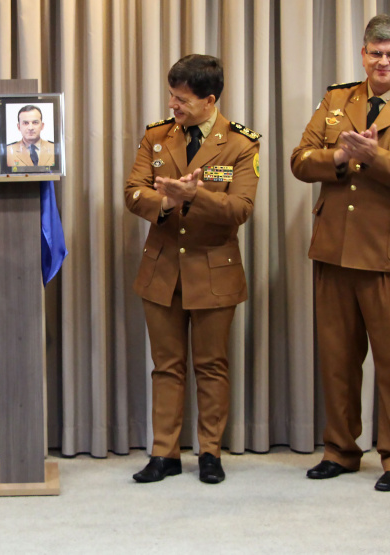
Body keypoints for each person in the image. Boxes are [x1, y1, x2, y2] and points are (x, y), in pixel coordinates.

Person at [290, 15, 390, 492]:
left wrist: (375, 156)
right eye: (375, 53)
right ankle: (340, 450)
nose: (383, 62)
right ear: (363, 54)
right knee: (337, 360)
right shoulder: (338, 100)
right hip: (336, 248)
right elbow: (301, 159)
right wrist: (339, 158)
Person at [125, 54, 261, 485]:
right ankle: (163, 453)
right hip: (161, 270)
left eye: (181, 99)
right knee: (166, 366)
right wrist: (166, 202)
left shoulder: (241, 143)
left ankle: (209, 452)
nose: (173, 105)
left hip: (213, 269)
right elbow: (132, 193)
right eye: (171, 95)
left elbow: (241, 208)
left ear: (210, 99)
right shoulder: (157, 137)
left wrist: (193, 196)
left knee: (211, 365)